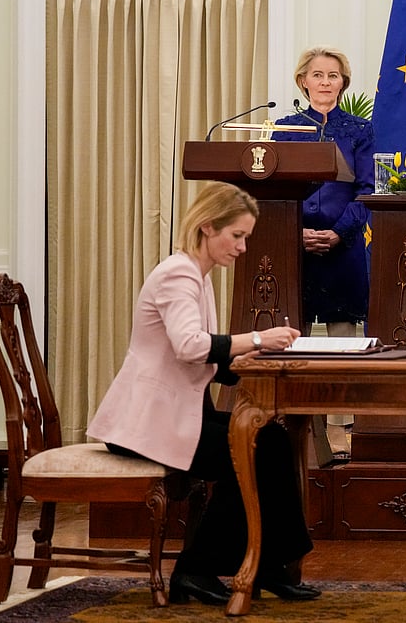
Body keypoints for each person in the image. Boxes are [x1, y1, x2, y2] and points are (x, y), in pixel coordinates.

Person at [88, 181, 318, 605]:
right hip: (146, 422)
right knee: (249, 450)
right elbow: (190, 346)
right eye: (238, 236)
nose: (243, 247)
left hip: (173, 412)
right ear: (208, 227)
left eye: (246, 237)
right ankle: (196, 569)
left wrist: (253, 358)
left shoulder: (198, 275)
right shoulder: (179, 272)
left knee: (271, 440)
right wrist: (257, 340)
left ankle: (268, 564)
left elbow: (202, 357)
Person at [273, 45, 375, 337]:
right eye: (317, 75)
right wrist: (297, 232)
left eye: (333, 75)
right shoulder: (285, 129)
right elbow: (277, 191)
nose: (325, 82)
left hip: (343, 249)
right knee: (290, 342)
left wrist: (339, 232)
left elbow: (367, 190)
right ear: (303, 81)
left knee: (343, 347)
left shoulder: (360, 130)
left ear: (343, 82)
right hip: (296, 250)